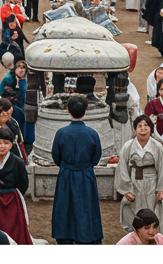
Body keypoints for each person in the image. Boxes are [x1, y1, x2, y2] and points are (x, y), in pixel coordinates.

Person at [51, 94, 103, 245]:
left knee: (64, 207)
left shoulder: (61, 133)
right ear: (85, 110)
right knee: (86, 207)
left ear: (68, 110)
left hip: (66, 173)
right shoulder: (92, 133)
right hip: (86, 174)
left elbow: (56, 156)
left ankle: (65, 236)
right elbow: (96, 157)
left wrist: (67, 166)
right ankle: (87, 237)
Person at [115, 114, 163, 233]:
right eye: (139, 126)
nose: (143, 128)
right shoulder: (128, 146)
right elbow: (123, 169)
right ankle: (135, 234)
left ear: (151, 128)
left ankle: (152, 235)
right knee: (135, 210)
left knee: (152, 210)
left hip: (152, 182)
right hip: (134, 181)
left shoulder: (157, 146)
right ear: (135, 129)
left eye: (146, 125)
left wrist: (161, 188)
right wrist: (127, 190)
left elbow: (162, 167)